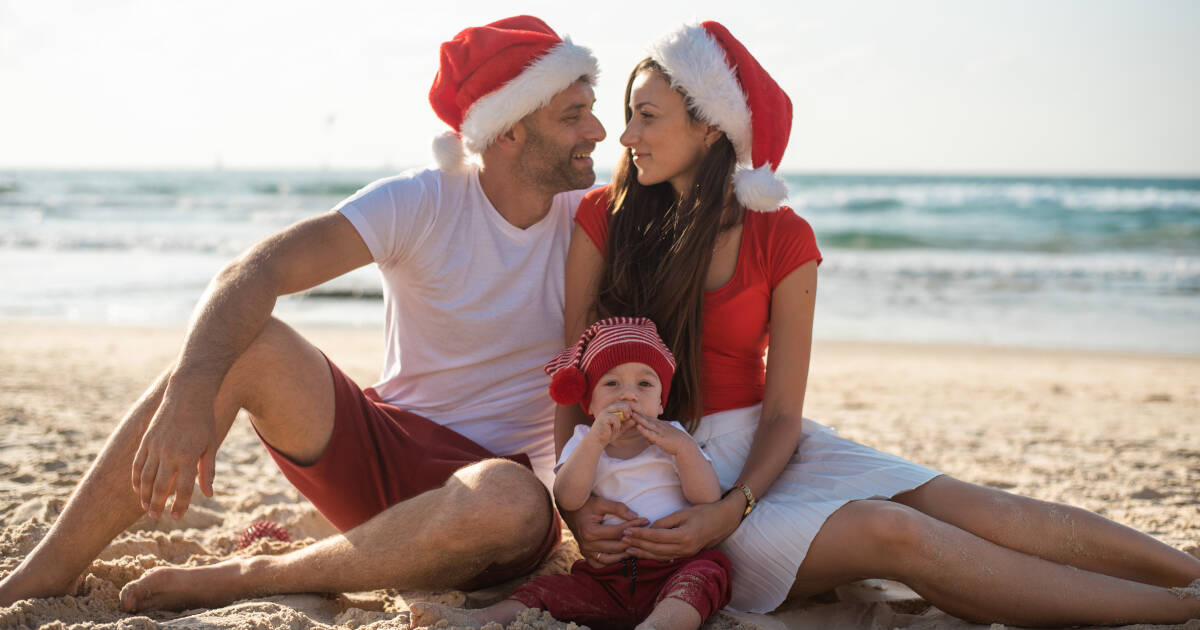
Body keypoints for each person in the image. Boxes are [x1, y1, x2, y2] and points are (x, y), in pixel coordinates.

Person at [558, 21, 1200, 626]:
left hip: (763, 455)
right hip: (662, 482)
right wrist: (577, 508)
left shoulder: (782, 236)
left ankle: (1190, 577)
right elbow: (568, 380)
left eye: (646, 116)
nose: (627, 137)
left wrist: (734, 507)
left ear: (710, 127)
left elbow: (782, 413)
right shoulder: (604, 218)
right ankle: (1177, 612)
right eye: (629, 116)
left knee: (978, 507)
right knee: (897, 534)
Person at [0, 15, 607, 612]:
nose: (598, 130)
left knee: (514, 499)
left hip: (495, 496)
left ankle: (252, 577)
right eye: (572, 115)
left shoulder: (598, 222)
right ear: (508, 131)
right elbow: (252, 273)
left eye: (592, 107)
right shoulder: (423, 200)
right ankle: (46, 570)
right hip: (383, 451)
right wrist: (189, 396)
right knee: (253, 344)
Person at [412, 317, 731, 630]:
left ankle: (660, 624)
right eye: (611, 383)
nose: (628, 395)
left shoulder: (675, 437)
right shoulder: (584, 440)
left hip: (673, 566)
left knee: (707, 574)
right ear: (589, 403)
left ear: (661, 402)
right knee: (548, 589)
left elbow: (706, 497)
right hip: (607, 576)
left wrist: (684, 451)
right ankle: (479, 619)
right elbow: (568, 497)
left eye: (644, 384)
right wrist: (595, 443)